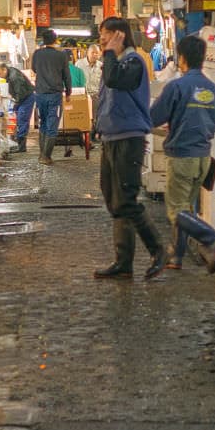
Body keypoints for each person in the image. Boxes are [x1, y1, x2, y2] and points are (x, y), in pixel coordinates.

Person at [92, 17, 165, 280]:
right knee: (113, 199)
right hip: (111, 137)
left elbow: (114, 81)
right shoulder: (115, 61)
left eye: (106, 34)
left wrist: (110, 53)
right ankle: (123, 262)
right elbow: (105, 97)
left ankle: (158, 249)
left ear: (120, 36)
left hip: (128, 139)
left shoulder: (133, 62)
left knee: (126, 199)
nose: (102, 39)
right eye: (101, 35)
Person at [151, 36, 215, 270]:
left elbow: (154, 117)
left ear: (181, 58)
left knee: (176, 209)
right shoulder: (213, 90)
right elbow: (214, 124)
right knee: (186, 206)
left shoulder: (176, 87)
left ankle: (212, 237)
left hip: (181, 156)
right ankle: (177, 256)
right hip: (203, 157)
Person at [27, 27, 72, 163]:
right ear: (55, 40)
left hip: (40, 93)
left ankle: (42, 154)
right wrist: (68, 92)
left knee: (43, 123)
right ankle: (46, 156)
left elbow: (34, 69)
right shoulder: (61, 55)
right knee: (52, 124)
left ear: (43, 40)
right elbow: (66, 76)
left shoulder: (37, 54)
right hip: (54, 95)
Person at [4, 60, 36, 151]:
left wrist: (15, 103)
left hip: (26, 99)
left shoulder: (14, 77)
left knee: (22, 120)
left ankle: (21, 147)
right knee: (21, 121)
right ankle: (20, 145)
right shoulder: (10, 73)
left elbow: (20, 93)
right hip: (24, 98)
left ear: (4, 70)